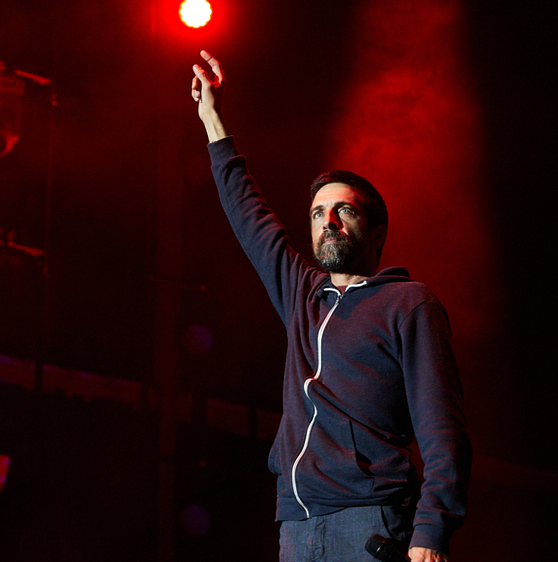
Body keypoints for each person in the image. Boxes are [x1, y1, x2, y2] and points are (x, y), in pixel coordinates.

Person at [190, 50, 471, 562]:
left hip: (372, 519)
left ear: (376, 231)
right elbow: (247, 211)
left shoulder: (408, 303)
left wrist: (432, 530)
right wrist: (212, 117)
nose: (329, 221)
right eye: (319, 212)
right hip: (296, 524)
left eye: (344, 209)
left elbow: (441, 424)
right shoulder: (303, 293)